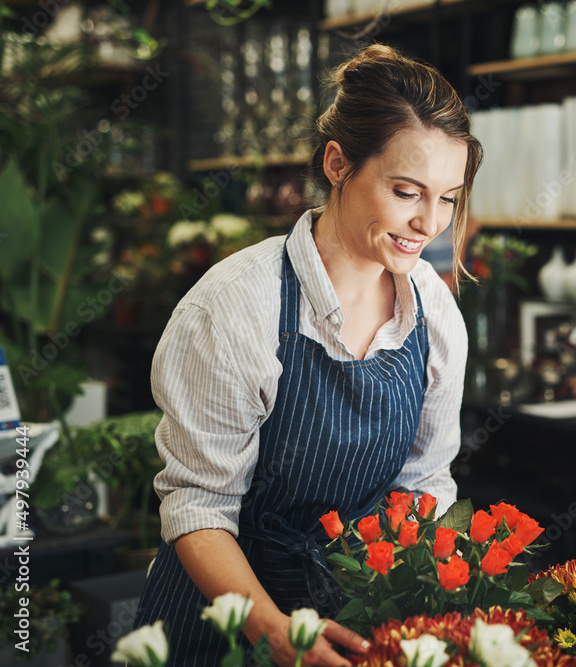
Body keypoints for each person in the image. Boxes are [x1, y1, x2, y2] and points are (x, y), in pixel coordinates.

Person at [132, 44, 482, 666]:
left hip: (352, 615)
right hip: (220, 622)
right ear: (338, 163)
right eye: (406, 191)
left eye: (448, 198)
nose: (429, 222)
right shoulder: (236, 307)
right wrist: (275, 633)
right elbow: (198, 506)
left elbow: (424, 485)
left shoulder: (434, 312)